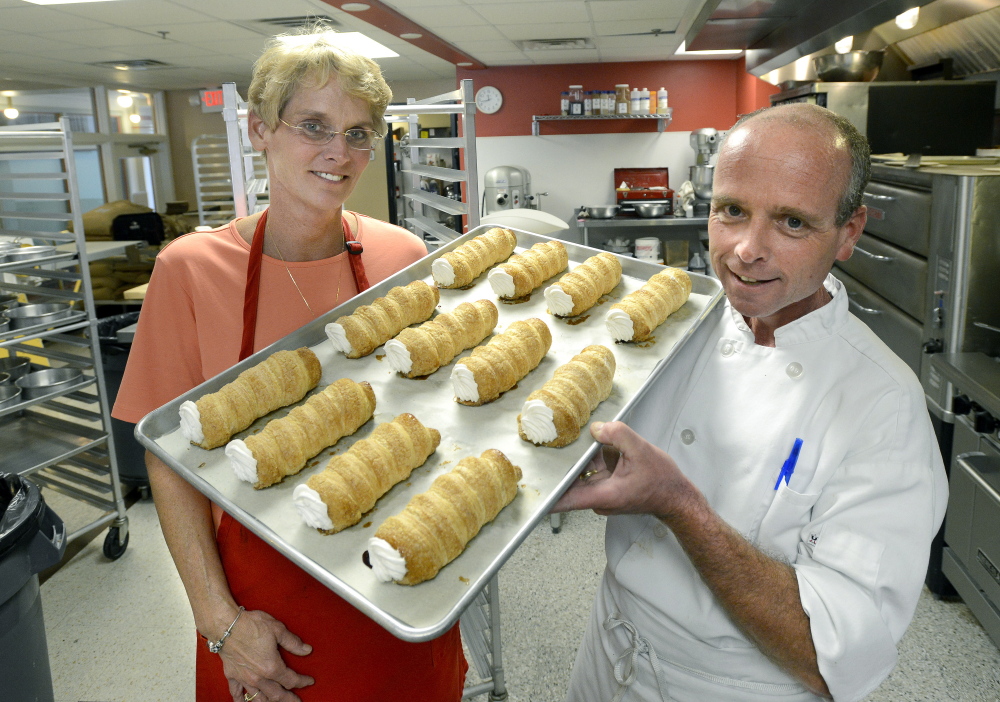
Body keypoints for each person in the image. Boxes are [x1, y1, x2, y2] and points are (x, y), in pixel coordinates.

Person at [112, 31, 467, 702]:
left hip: (395, 580)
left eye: (359, 133)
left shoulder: (401, 257)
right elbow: (166, 457)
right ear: (259, 130)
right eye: (314, 126)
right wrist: (219, 622)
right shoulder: (189, 270)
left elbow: (432, 411)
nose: (341, 153)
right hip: (260, 617)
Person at [553, 103, 948, 702]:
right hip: (607, 649)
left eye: (791, 223)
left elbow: (831, 656)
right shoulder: (680, 322)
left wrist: (678, 504)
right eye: (732, 211)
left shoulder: (881, 406)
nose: (744, 250)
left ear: (849, 233)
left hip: (730, 687)